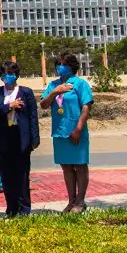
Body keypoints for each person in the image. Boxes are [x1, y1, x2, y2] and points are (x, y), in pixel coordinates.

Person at [40, 53, 94, 213]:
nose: (60, 67)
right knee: (66, 167)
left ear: (72, 67)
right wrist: (54, 92)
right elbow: (43, 104)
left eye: (63, 64)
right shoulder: (53, 84)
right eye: (58, 64)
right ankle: (71, 200)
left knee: (80, 165)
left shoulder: (80, 84)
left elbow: (86, 107)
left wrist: (78, 128)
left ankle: (80, 200)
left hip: (76, 130)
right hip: (59, 131)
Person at [0, 61, 40, 217]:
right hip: (4, 136)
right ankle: (11, 207)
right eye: (4, 73)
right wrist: (9, 106)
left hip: (21, 136)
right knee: (6, 174)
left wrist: (34, 138)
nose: (7, 76)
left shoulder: (26, 92)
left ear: (16, 75)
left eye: (10, 73)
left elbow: (33, 117)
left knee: (22, 173)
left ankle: (24, 208)